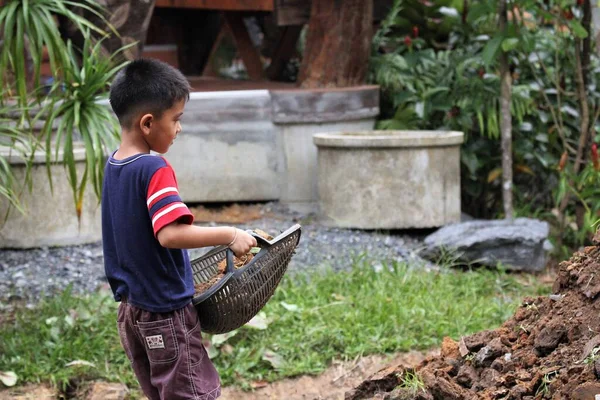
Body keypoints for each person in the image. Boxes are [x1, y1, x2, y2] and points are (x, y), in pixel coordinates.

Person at [101, 58, 257, 400]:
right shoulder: (154, 168)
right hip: (165, 312)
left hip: (133, 313)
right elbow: (170, 234)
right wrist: (229, 234)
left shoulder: (114, 164)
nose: (179, 129)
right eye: (176, 119)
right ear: (147, 123)